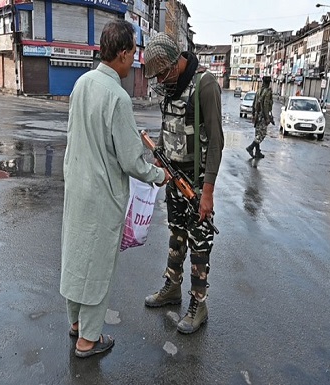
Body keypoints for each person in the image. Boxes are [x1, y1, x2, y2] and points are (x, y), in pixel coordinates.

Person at [60, 20, 169, 359]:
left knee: (76, 256)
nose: (135, 59)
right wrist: (158, 175)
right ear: (122, 53)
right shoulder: (117, 96)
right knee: (97, 266)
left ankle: (76, 323)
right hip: (102, 195)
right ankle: (88, 340)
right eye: (133, 52)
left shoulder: (82, 84)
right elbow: (131, 161)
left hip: (77, 187)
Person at [143, 33, 224, 334]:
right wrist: (159, 156)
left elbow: (215, 143)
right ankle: (172, 287)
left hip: (197, 180)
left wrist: (208, 192)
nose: (160, 80)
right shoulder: (171, 86)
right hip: (173, 175)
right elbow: (167, 126)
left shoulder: (205, 85)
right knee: (176, 233)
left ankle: (198, 304)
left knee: (200, 241)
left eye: (162, 73)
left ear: (174, 63)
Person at [246, 76, 273, 159]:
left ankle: (257, 152)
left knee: (257, 133)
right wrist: (267, 118)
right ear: (268, 83)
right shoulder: (267, 92)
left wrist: (253, 114)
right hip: (262, 115)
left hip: (257, 115)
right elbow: (265, 105)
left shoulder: (258, 91)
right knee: (262, 134)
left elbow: (254, 103)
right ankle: (250, 147)